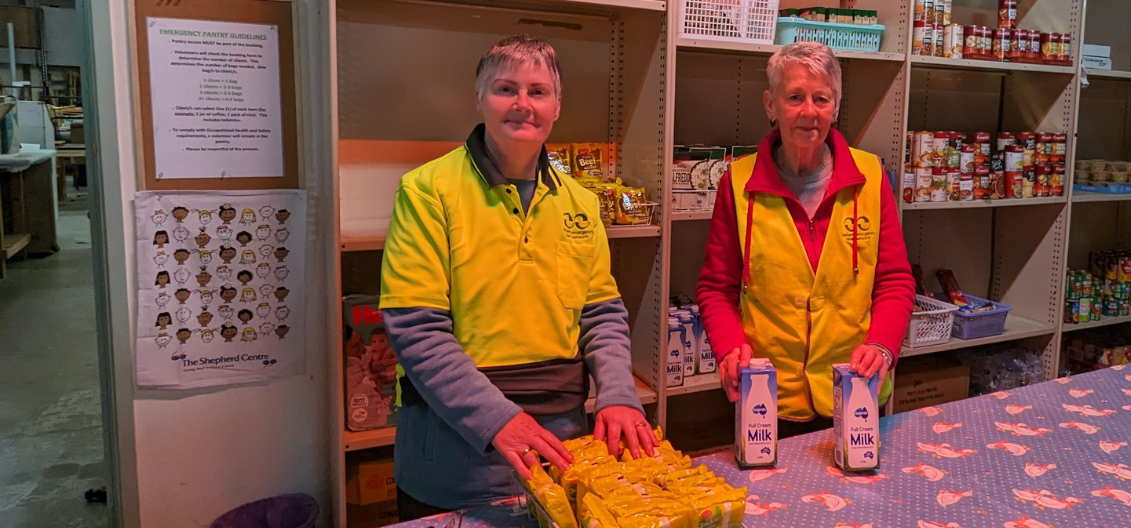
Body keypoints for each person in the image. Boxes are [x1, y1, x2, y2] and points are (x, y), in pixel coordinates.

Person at [379, 34, 657, 518]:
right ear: (480, 97)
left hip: (562, 445)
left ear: (557, 105)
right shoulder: (427, 192)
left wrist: (617, 394)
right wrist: (498, 419)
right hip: (454, 456)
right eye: (506, 89)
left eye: (538, 91)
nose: (523, 105)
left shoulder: (580, 203)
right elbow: (416, 329)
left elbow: (601, 314)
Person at [695, 42, 915, 437]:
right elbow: (715, 288)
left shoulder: (871, 177)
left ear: (836, 105)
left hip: (855, 387)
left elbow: (895, 281)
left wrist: (882, 345)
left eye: (821, 98)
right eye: (794, 97)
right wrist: (729, 348)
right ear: (770, 104)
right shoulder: (738, 183)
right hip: (767, 395)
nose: (809, 112)